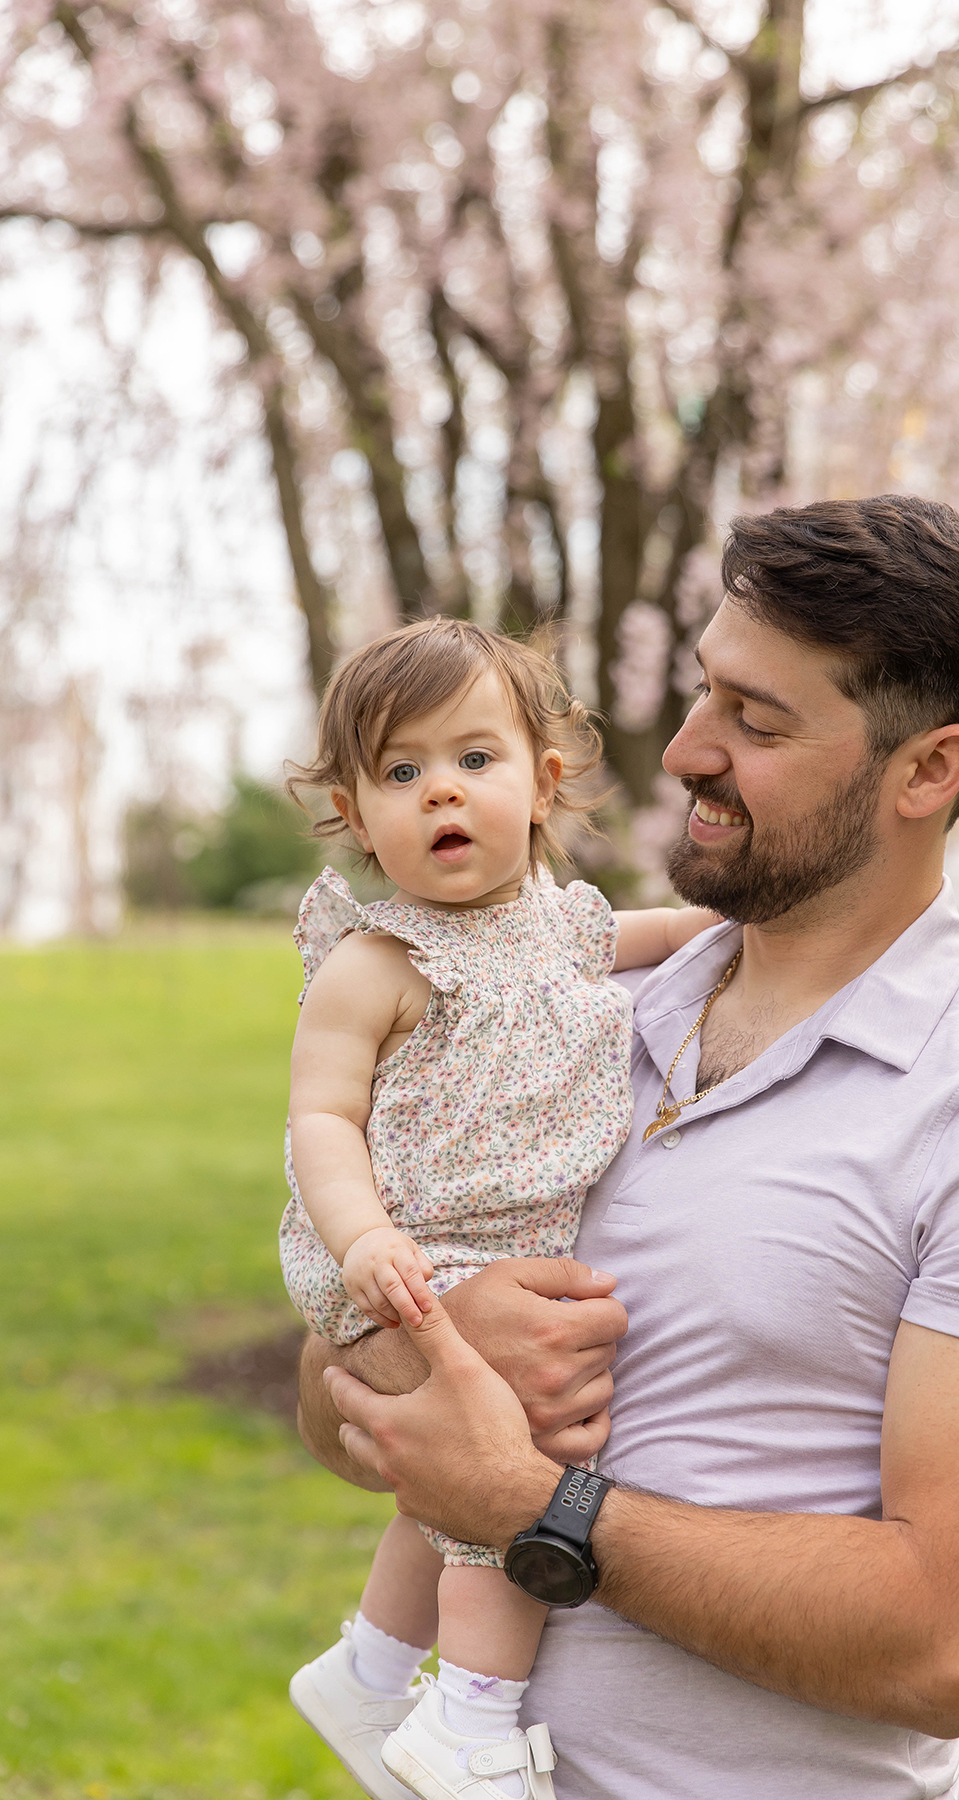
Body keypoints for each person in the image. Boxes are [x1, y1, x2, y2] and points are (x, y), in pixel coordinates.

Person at [299, 496, 959, 1800]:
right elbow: (334, 1405)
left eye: (757, 722)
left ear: (927, 771)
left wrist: (535, 1505)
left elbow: (947, 1645)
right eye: (707, 692)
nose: (689, 750)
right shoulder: (573, 1009)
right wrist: (428, 1336)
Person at [280, 618, 715, 1800]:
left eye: (475, 759)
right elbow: (320, 1120)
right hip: (414, 1251)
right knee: (509, 1471)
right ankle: (470, 1718)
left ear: (543, 783)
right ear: (355, 814)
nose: (442, 794)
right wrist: (364, 1239)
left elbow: (663, 936)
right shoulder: (377, 963)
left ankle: (370, 1673)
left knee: (473, 1464)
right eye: (402, 773)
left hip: (516, 1245)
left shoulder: (567, 931)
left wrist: (737, 935)